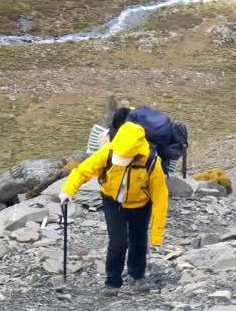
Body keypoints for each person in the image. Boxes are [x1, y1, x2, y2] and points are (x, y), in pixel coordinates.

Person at [58, 120, 169, 295]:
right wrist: (67, 191)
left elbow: (161, 199)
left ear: (136, 153)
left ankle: (137, 277)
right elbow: (82, 171)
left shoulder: (152, 163)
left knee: (138, 240)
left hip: (141, 204)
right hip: (112, 201)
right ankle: (112, 282)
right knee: (118, 242)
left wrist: (156, 236)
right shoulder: (107, 152)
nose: (120, 161)